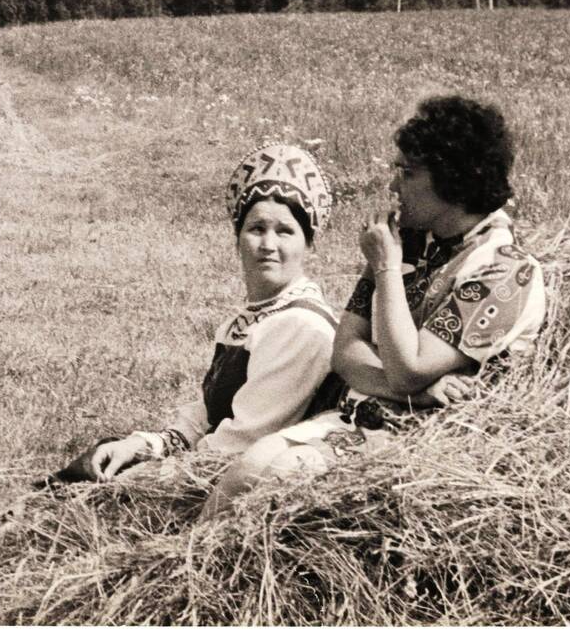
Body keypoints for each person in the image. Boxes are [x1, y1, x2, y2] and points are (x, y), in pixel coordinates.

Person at [0, 142, 340, 563]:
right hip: (217, 460)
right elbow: (207, 410)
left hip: (235, 486)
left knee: (107, 486)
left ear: (308, 244)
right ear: (237, 237)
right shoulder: (254, 317)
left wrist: (156, 468)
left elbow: (241, 444)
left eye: (286, 231)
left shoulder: (300, 326)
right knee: (103, 456)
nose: (269, 244)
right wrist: (146, 443)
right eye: (256, 228)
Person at [201, 96, 547, 518]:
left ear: (452, 179)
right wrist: (417, 392)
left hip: (427, 446)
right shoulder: (413, 242)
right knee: (249, 468)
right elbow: (345, 352)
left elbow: (407, 367)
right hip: (368, 419)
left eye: (408, 172)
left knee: (277, 477)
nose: (394, 185)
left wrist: (384, 268)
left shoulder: (504, 270)